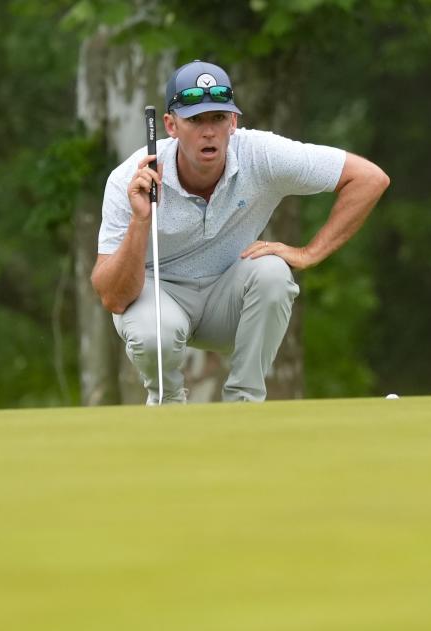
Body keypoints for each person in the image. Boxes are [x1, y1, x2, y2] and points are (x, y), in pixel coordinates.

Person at [92, 60, 390, 404]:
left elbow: (369, 179)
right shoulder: (129, 177)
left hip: (227, 299)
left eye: (218, 118)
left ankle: (244, 404)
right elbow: (112, 296)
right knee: (153, 335)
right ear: (171, 126)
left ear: (233, 121)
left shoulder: (261, 154)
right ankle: (168, 403)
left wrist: (309, 254)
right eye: (195, 120)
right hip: (160, 296)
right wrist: (140, 221)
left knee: (274, 272)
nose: (209, 131)